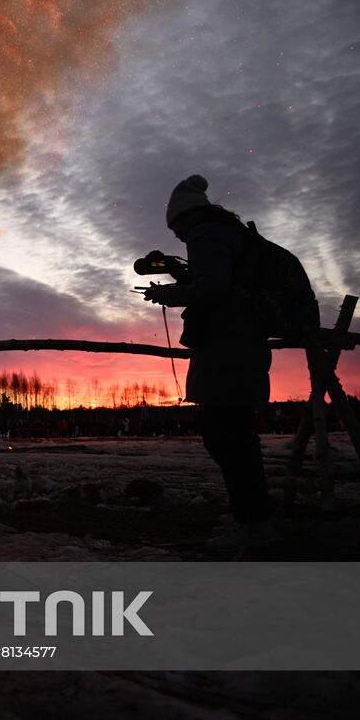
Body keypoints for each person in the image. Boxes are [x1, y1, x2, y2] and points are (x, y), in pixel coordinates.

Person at [143, 174, 275, 549]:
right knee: (235, 440)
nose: (178, 237)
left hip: (227, 348)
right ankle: (252, 519)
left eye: (176, 228)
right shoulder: (229, 234)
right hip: (238, 346)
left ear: (184, 217)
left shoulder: (207, 235)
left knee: (228, 440)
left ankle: (252, 525)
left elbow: (213, 288)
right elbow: (223, 284)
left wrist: (172, 294)